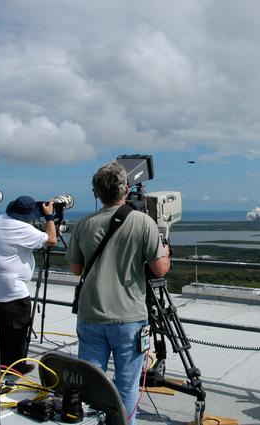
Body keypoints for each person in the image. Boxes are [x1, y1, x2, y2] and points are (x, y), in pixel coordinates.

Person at [66, 162, 170, 425]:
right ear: (126, 189)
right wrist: (165, 253)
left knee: (90, 385)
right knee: (127, 385)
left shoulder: (83, 224)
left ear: (96, 192)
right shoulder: (142, 222)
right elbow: (159, 270)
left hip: (90, 316)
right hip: (129, 318)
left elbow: (77, 269)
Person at [0, 196, 57, 373]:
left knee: (0, 332)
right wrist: (49, 217)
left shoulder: (0, 220)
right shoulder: (22, 228)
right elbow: (52, 239)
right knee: (17, 334)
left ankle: (0, 364)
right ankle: (15, 368)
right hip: (11, 294)